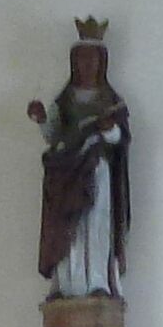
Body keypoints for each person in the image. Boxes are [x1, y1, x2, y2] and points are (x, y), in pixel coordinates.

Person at [29, 21, 131, 301]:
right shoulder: (65, 100)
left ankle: (97, 281)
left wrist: (108, 129)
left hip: (96, 169)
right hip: (66, 173)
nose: (87, 65)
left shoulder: (111, 100)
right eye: (81, 59)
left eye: (92, 59)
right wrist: (41, 120)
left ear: (102, 63)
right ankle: (67, 284)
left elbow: (120, 140)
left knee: (96, 222)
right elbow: (54, 135)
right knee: (67, 224)